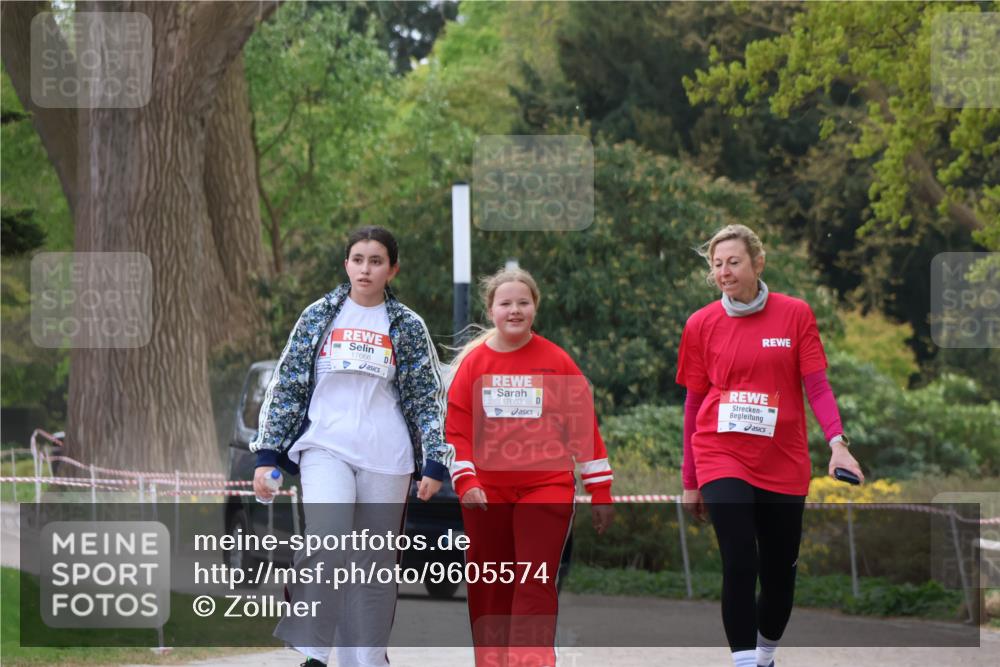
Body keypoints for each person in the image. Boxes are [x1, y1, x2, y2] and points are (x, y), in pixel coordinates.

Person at [250, 225, 454, 667]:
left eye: (376, 261)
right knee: (326, 542)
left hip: (388, 457)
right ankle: (313, 654)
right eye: (358, 259)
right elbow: (287, 386)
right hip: (326, 447)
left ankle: (366, 659)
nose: (366, 268)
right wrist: (267, 455)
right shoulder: (319, 316)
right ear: (346, 264)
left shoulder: (407, 326)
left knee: (373, 565)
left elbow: (427, 398)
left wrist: (436, 460)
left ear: (392, 269)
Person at [676, 224, 863, 667]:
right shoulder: (701, 324)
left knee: (779, 573)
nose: (724, 271)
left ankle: (764, 656)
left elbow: (816, 386)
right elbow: (693, 403)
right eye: (717, 264)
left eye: (733, 262)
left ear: (758, 263)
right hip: (720, 453)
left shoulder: (795, 314)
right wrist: (690, 479)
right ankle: (744, 663)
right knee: (740, 561)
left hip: (784, 460)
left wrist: (837, 443)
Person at [446, 267, 615, 667]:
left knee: (533, 581)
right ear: (491, 310)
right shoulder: (474, 365)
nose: (515, 310)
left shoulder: (557, 361)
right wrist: (466, 480)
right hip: (487, 492)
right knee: (490, 584)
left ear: (535, 307)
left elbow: (584, 431)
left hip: (546, 487)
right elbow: (457, 431)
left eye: (523, 302)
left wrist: (601, 491)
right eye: (506, 303)